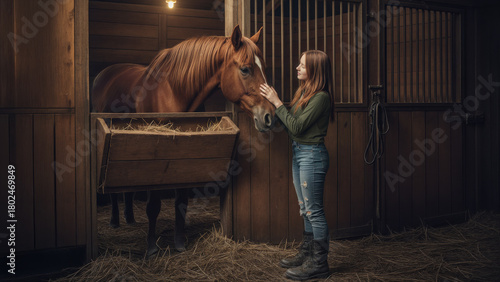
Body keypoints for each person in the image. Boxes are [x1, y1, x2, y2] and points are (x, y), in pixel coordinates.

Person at [260, 50, 334, 280]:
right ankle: (307, 254)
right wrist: (271, 111)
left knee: (315, 211)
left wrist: (277, 102)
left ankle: (319, 264)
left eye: (302, 65)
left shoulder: (321, 97)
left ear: (314, 69)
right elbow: (288, 119)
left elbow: (297, 127)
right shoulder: (304, 92)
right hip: (300, 154)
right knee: (305, 208)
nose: (297, 68)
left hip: (312, 155)